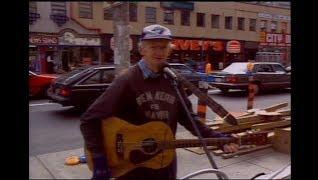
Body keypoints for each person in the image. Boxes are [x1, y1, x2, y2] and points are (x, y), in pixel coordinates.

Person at [80, 24, 239, 180]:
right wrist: (99, 159)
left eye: (163, 47)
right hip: (134, 168)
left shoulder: (173, 80)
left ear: (169, 50)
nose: (159, 52)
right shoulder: (127, 80)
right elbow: (89, 119)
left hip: (165, 162)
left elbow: (189, 119)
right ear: (142, 50)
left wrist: (219, 139)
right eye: (153, 47)